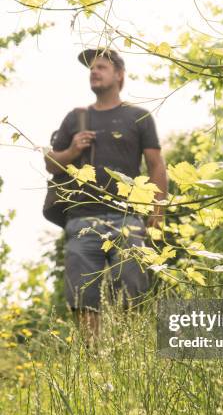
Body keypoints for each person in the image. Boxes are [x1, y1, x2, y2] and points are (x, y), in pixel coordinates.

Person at [44, 47, 168, 343]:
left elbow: (156, 166)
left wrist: (157, 215)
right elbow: (51, 163)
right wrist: (73, 150)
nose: (94, 72)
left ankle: (129, 357)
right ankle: (93, 362)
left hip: (127, 217)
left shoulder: (139, 117)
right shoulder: (76, 117)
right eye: (91, 69)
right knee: (83, 295)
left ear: (119, 75)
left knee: (133, 290)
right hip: (81, 218)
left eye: (101, 67)